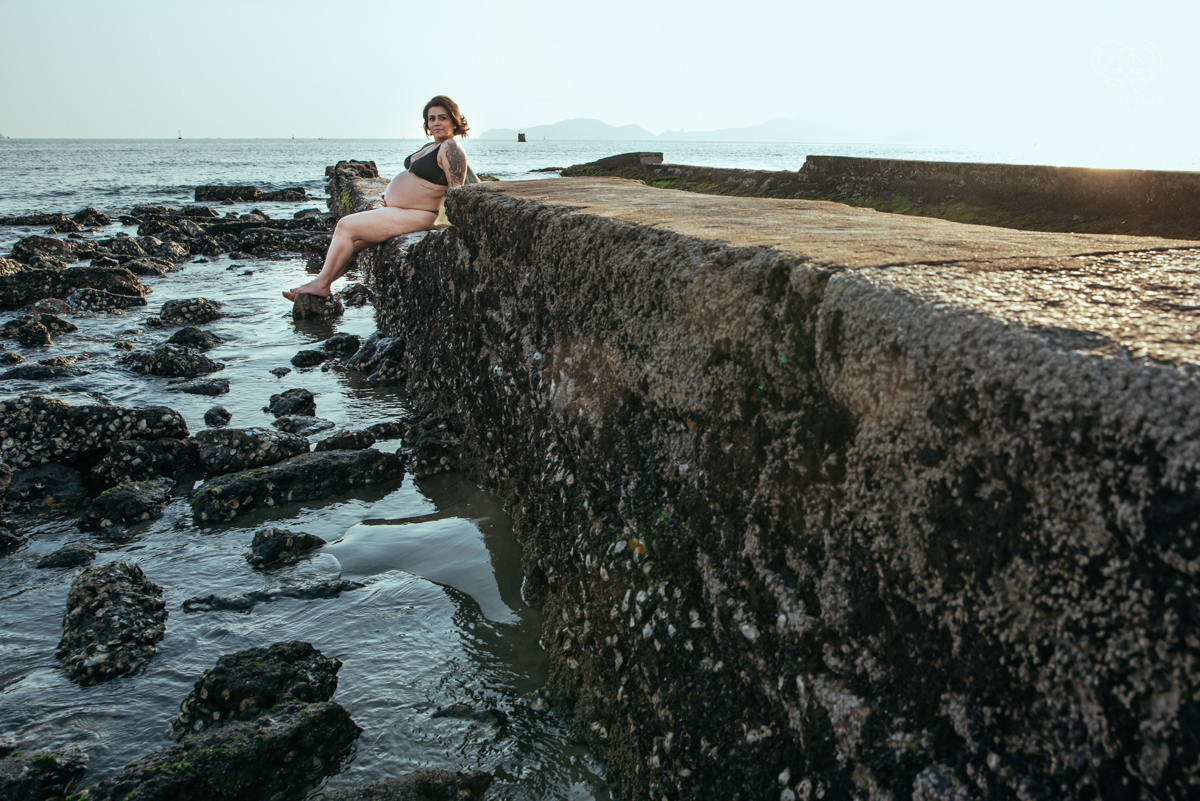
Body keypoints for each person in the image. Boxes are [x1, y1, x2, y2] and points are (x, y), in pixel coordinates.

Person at [283, 95, 470, 301]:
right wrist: (393, 194)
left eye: (442, 118)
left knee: (346, 226)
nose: (436, 123)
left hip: (422, 215)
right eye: (431, 118)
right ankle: (323, 284)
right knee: (354, 242)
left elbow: (455, 193)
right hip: (404, 210)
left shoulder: (450, 149)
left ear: (454, 120)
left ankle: (320, 284)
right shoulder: (432, 146)